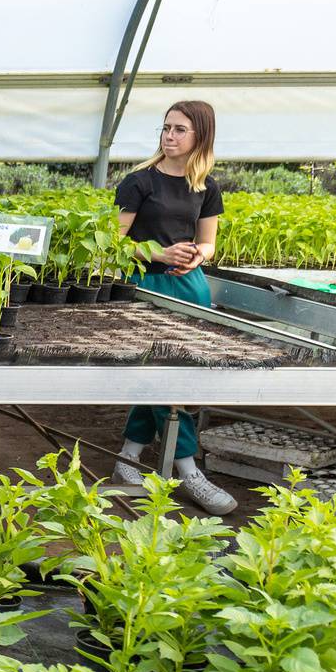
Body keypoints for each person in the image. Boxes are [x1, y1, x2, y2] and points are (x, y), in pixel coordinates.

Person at [110, 100, 237, 515]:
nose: (170, 135)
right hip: (147, 286)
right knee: (165, 377)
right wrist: (160, 255)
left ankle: (129, 456)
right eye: (166, 127)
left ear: (200, 135)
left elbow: (209, 243)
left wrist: (196, 256)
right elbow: (112, 245)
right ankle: (188, 468)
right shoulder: (139, 182)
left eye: (181, 129)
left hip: (191, 287)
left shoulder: (206, 186)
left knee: (179, 376)